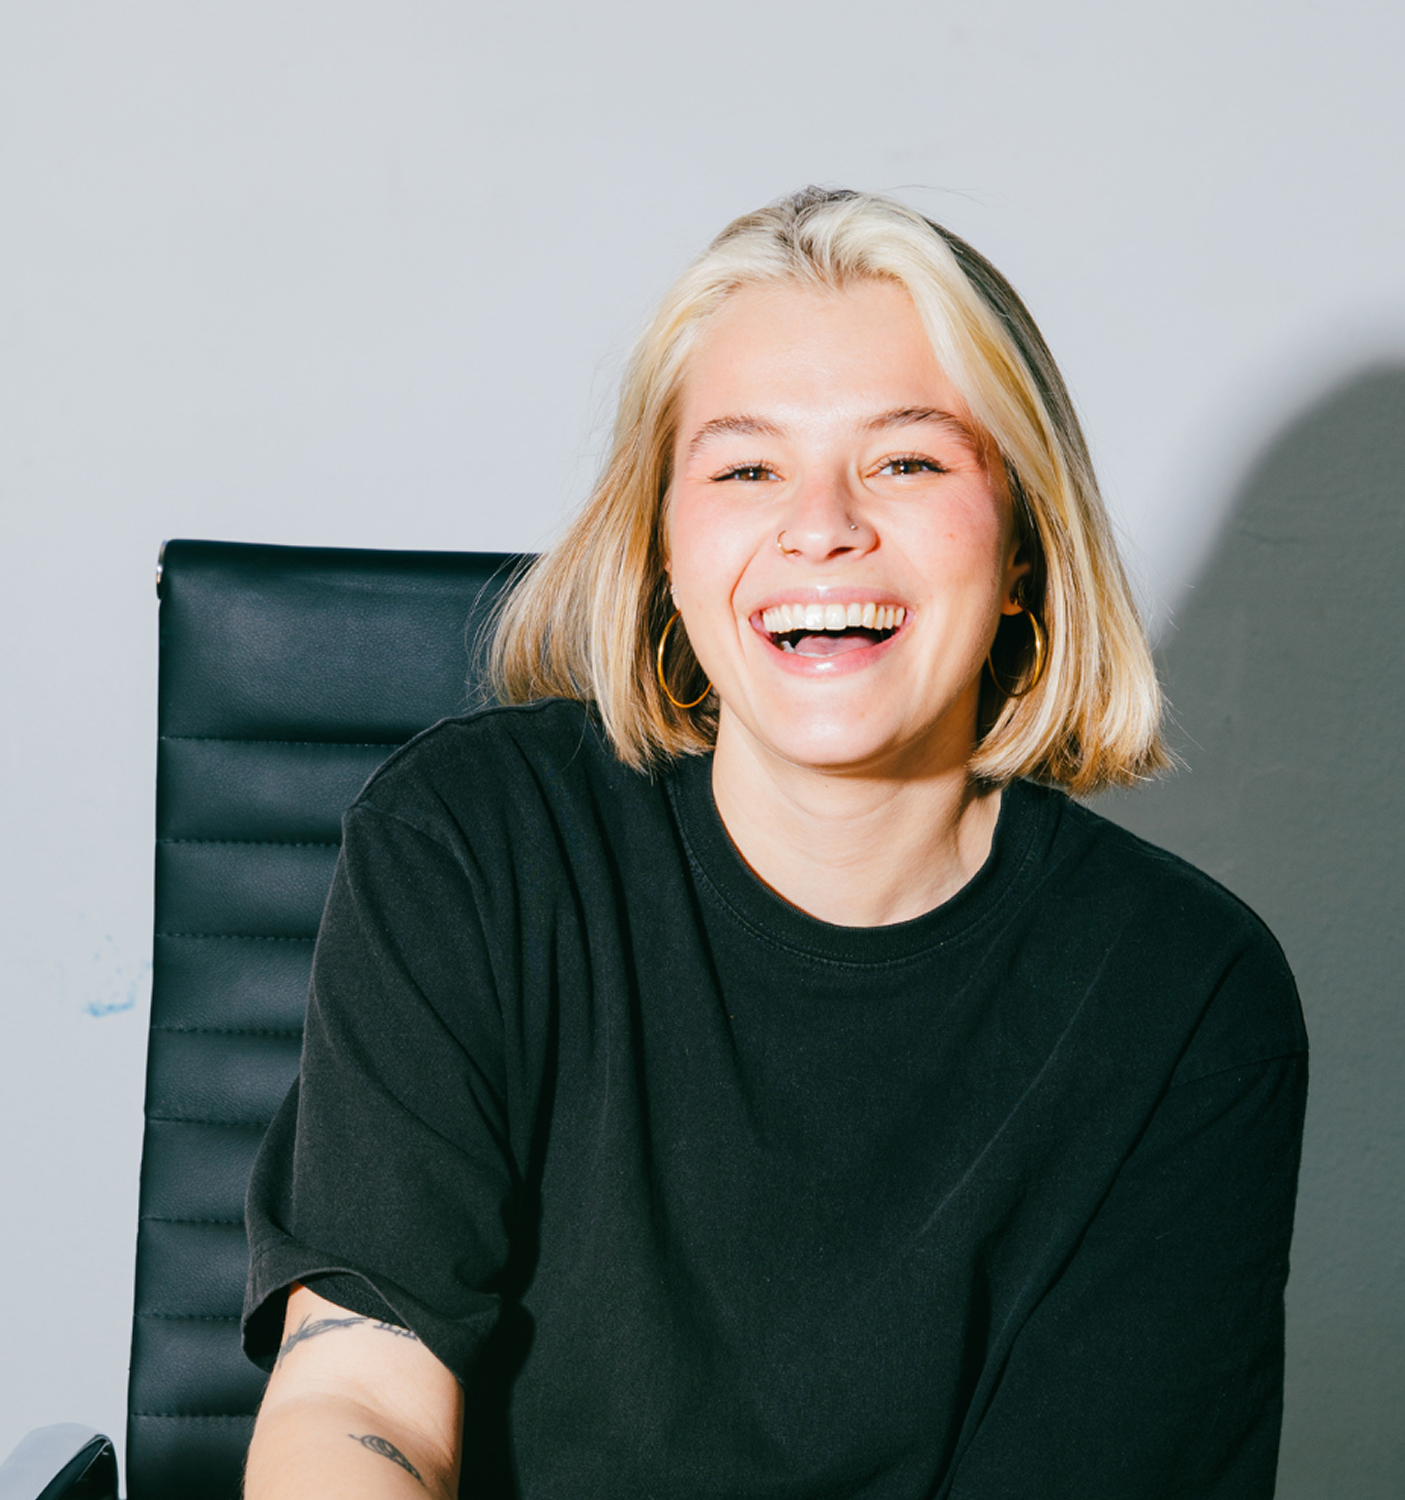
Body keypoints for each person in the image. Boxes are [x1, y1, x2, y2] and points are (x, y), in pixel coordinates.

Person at [239, 187, 1307, 1499]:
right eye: (747, 467)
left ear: (1024, 540)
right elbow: (357, 1386)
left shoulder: (1183, 999)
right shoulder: (475, 846)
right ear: (663, 548)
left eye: (906, 461)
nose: (820, 526)